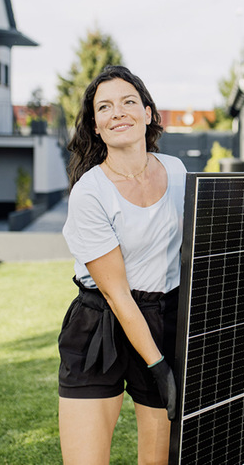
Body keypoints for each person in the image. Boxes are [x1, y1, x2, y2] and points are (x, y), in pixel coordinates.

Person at [57, 65, 186, 465]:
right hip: (101, 323)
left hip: (164, 317)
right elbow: (117, 294)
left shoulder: (179, 173)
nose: (119, 113)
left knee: (159, 460)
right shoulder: (90, 193)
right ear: (96, 125)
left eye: (129, 102)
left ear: (148, 113)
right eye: (105, 107)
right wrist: (159, 366)